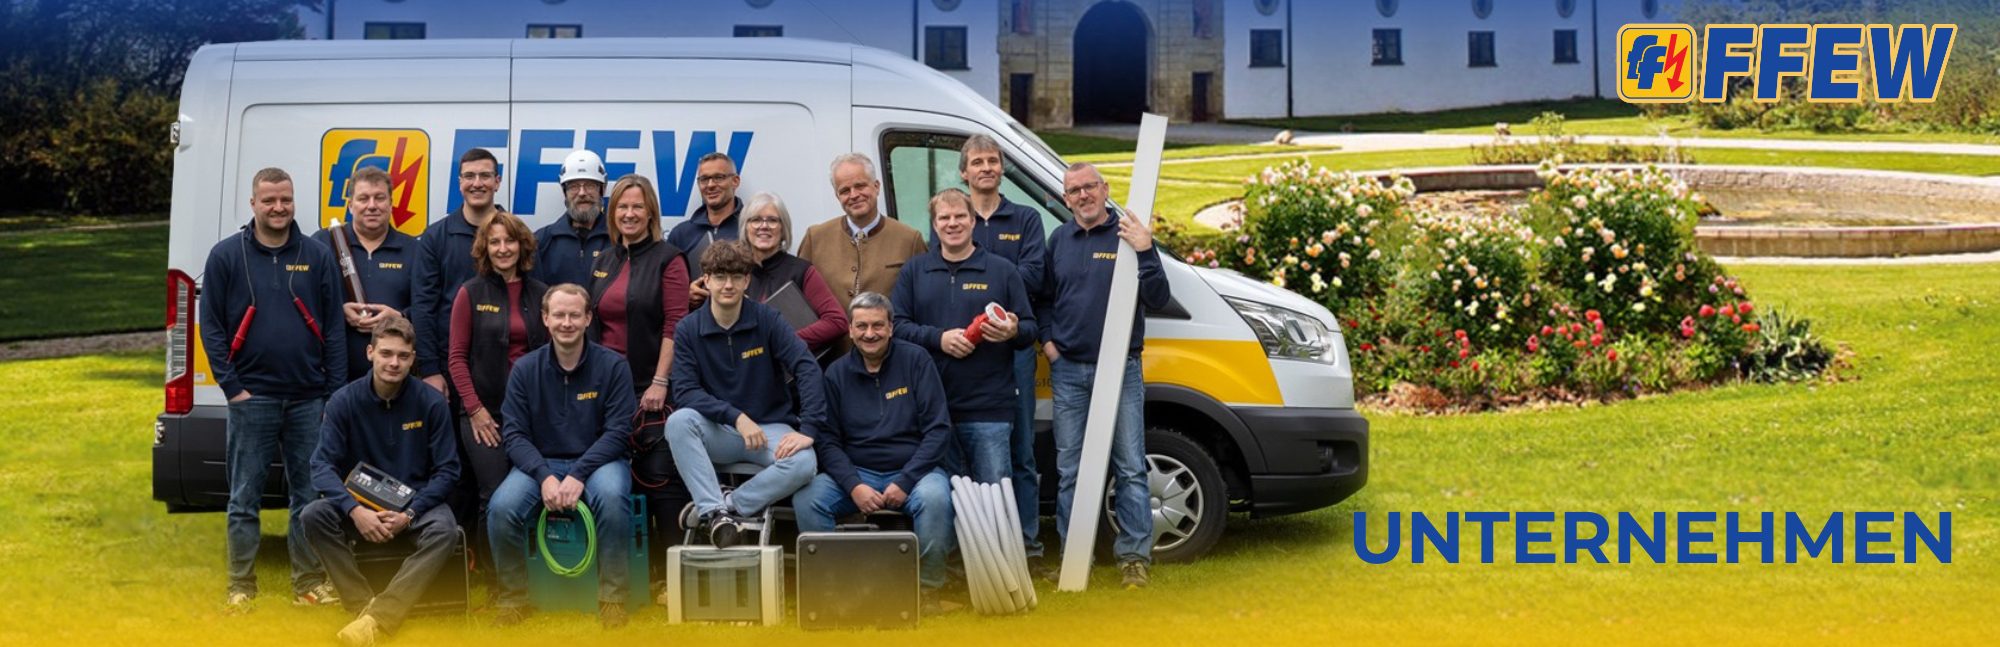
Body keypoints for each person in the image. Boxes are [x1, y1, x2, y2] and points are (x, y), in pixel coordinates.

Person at [199, 167, 347, 610]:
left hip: (309, 399)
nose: (278, 208)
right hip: (252, 398)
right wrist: (232, 388)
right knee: (244, 498)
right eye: (269, 200)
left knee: (310, 496)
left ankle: (308, 584)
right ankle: (241, 586)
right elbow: (211, 327)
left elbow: (334, 328)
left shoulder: (316, 255)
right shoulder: (226, 256)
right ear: (253, 204)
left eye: (286, 199)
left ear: (294, 201)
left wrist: (332, 394)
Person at [1042, 162, 1171, 589]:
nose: (1083, 195)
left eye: (1090, 187)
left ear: (1105, 188)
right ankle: (1074, 559)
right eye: (1074, 190)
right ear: (1066, 199)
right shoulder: (1059, 240)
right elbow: (1043, 299)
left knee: (1130, 467)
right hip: (1069, 372)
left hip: (1121, 369)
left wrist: (1147, 250)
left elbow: (1158, 297)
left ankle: (1134, 559)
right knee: (1071, 470)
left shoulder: (1128, 235)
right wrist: (1049, 343)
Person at [300, 315, 461, 647]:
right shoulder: (343, 401)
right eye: (386, 353)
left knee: (445, 531)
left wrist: (410, 514)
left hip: (415, 505)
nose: (394, 363)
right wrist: (355, 511)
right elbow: (321, 466)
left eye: (402, 356)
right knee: (313, 515)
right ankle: (362, 606)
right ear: (370, 352)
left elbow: (448, 471)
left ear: (413, 359)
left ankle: (378, 617)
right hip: (361, 505)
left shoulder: (431, 403)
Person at [792, 292, 956, 616]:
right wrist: (854, 485)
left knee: (936, 498)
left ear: (891, 327)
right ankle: (835, 589)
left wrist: (906, 481)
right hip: (857, 472)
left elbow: (939, 430)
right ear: (850, 330)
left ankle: (927, 591)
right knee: (808, 498)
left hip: (914, 471)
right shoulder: (835, 374)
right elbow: (827, 441)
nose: (870, 333)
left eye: (878, 325)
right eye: (862, 326)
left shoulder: (917, 361)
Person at [486, 284, 639, 629]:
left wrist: (579, 473)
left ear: (588, 319)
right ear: (545, 318)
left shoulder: (614, 367)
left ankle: (613, 598)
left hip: (600, 462)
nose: (566, 322)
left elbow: (619, 432)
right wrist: (543, 476)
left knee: (612, 498)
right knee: (501, 508)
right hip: (541, 463)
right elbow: (514, 435)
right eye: (558, 315)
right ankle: (513, 600)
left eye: (574, 315)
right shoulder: (525, 369)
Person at [663, 241, 824, 547]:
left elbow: (807, 367)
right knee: (678, 422)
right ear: (706, 280)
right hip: (720, 430)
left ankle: (723, 508)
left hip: (770, 429)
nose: (728, 285)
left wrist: (810, 429)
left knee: (805, 462)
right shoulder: (688, 329)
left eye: (736, 277)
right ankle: (715, 509)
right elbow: (685, 391)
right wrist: (736, 417)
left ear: (747, 280)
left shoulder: (768, 319)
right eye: (720, 276)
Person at [946, 135, 1049, 567]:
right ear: (964, 172)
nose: (986, 168)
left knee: (1020, 451)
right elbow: (945, 270)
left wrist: (983, 281)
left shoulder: (1025, 219)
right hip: (962, 352)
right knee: (962, 451)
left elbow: (1034, 275)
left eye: (992, 160)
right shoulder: (955, 218)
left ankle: (1027, 545)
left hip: (1013, 348)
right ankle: (972, 548)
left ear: (1002, 168)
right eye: (977, 162)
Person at [891, 188, 1037, 486]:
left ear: (973, 221)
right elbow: (898, 326)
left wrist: (1013, 330)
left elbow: (1029, 329)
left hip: (989, 410)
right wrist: (939, 339)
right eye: (944, 218)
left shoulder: (1003, 271)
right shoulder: (914, 271)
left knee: (993, 498)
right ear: (934, 225)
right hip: (931, 410)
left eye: (960, 216)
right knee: (943, 498)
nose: (952, 223)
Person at [446, 212, 549, 505]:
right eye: (494, 242)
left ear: (522, 245)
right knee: (494, 495)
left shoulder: (541, 294)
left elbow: (551, 356)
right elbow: (456, 358)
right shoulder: (470, 293)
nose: (503, 249)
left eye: (510, 241)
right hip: (483, 413)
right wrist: (475, 410)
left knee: (533, 494)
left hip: (531, 413)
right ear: (485, 248)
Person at [796, 153, 928, 357]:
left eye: (860, 186)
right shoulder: (816, 238)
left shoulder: (909, 239)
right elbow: (798, 303)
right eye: (844, 190)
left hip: (891, 359)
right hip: (830, 361)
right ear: (837, 196)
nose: (854, 195)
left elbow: (922, 305)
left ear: (876, 186)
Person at [588, 174, 691, 413]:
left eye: (638, 207)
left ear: (651, 212)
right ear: (612, 212)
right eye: (622, 207)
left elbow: (676, 324)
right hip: (602, 381)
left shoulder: (669, 259)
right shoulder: (603, 260)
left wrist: (660, 381)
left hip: (646, 387)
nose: (629, 214)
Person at [312, 166, 420, 383]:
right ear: (350, 205)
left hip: (396, 380)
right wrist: (338, 311)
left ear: (391, 203)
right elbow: (306, 302)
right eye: (363, 198)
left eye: (379, 198)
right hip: (333, 380)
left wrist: (399, 317)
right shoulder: (323, 244)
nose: (372, 206)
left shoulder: (414, 250)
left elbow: (427, 308)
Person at [413, 147, 505, 394]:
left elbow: (533, 302)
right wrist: (430, 370)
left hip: (507, 365)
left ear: (497, 182)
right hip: (449, 367)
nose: (477, 183)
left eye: (485, 176)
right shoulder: (435, 237)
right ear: (460, 183)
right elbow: (423, 307)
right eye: (469, 176)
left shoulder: (517, 236)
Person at [740, 191, 847, 355]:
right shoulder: (736, 273)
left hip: (795, 365)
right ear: (745, 228)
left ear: (783, 229)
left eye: (772, 220)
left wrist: (785, 341)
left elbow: (837, 322)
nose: (764, 226)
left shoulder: (801, 270)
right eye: (755, 220)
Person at [533, 149, 615, 290]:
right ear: (564, 191)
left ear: (602, 189)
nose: (582, 193)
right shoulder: (542, 242)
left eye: (590, 185)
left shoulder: (619, 239)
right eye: (574, 186)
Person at [667, 151, 743, 294]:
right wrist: (686, 295)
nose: (710, 185)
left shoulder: (751, 229)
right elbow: (668, 288)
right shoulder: (681, 234)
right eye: (704, 179)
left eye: (718, 178)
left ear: (735, 181)